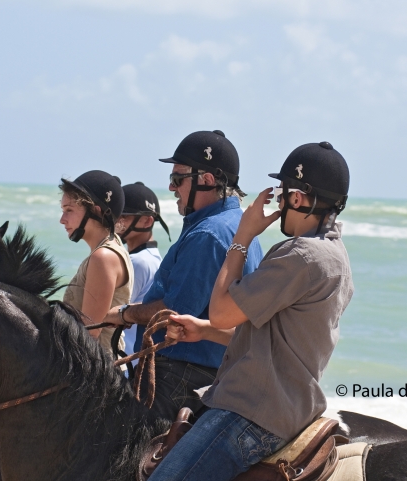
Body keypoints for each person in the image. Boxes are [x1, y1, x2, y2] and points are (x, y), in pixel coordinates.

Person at [150, 141, 354, 481]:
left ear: (298, 197)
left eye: (282, 191)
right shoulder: (336, 257)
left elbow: (222, 311)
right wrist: (204, 331)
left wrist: (243, 236)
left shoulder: (299, 255)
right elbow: (273, 341)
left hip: (250, 412)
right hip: (289, 408)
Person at [104, 130, 263, 421]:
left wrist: (124, 314)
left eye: (178, 179)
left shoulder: (208, 234)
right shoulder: (237, 224)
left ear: (207, 180)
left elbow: (173, 313)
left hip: (182, 375)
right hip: (217, 372)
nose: (170, 187)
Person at [60, 170, 134, 354]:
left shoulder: (103, 257)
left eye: (69, 210)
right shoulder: (109, 248)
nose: (62, 220)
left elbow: (88, 335)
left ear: (96, 210)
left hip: (99, 375)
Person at [115, 182, 171, 358]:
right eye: (117, 215)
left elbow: (107, 315)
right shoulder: (154, 258)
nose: (118, 222)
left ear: (147, 220)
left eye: (124, 216)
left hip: (124, 363)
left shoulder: (137, 262)